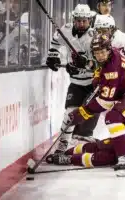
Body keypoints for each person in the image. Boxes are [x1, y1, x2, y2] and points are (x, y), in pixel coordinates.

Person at [48, 33, 125, 177]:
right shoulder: (112, 54)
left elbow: (104, 103)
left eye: (102, 52)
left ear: (109, 50)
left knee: (114, 118)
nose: (99, 56)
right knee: (122, 126)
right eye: (97, 53)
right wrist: (98, 75)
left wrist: (81, 114)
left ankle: (124, 161)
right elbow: (101, 68)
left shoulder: (111, 69)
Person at [45, 4, 100, 148]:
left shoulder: (95, 37)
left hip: (93, 85)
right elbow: (55, 43)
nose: (81, 24)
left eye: (84, 21)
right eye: (78, 20)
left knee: (88, 116)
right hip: (76, 83)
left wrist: (87, 64)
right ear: (73, 19)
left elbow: (102, 62)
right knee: (70, 114)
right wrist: (53, 56)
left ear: (89, 20)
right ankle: (62, 146)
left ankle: (83, 142)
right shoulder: (66, 31)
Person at [0, 1, 34, 66]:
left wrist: (25, 51)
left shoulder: (18, 29)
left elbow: (32, 47)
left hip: (12, 70)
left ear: (4, 16)